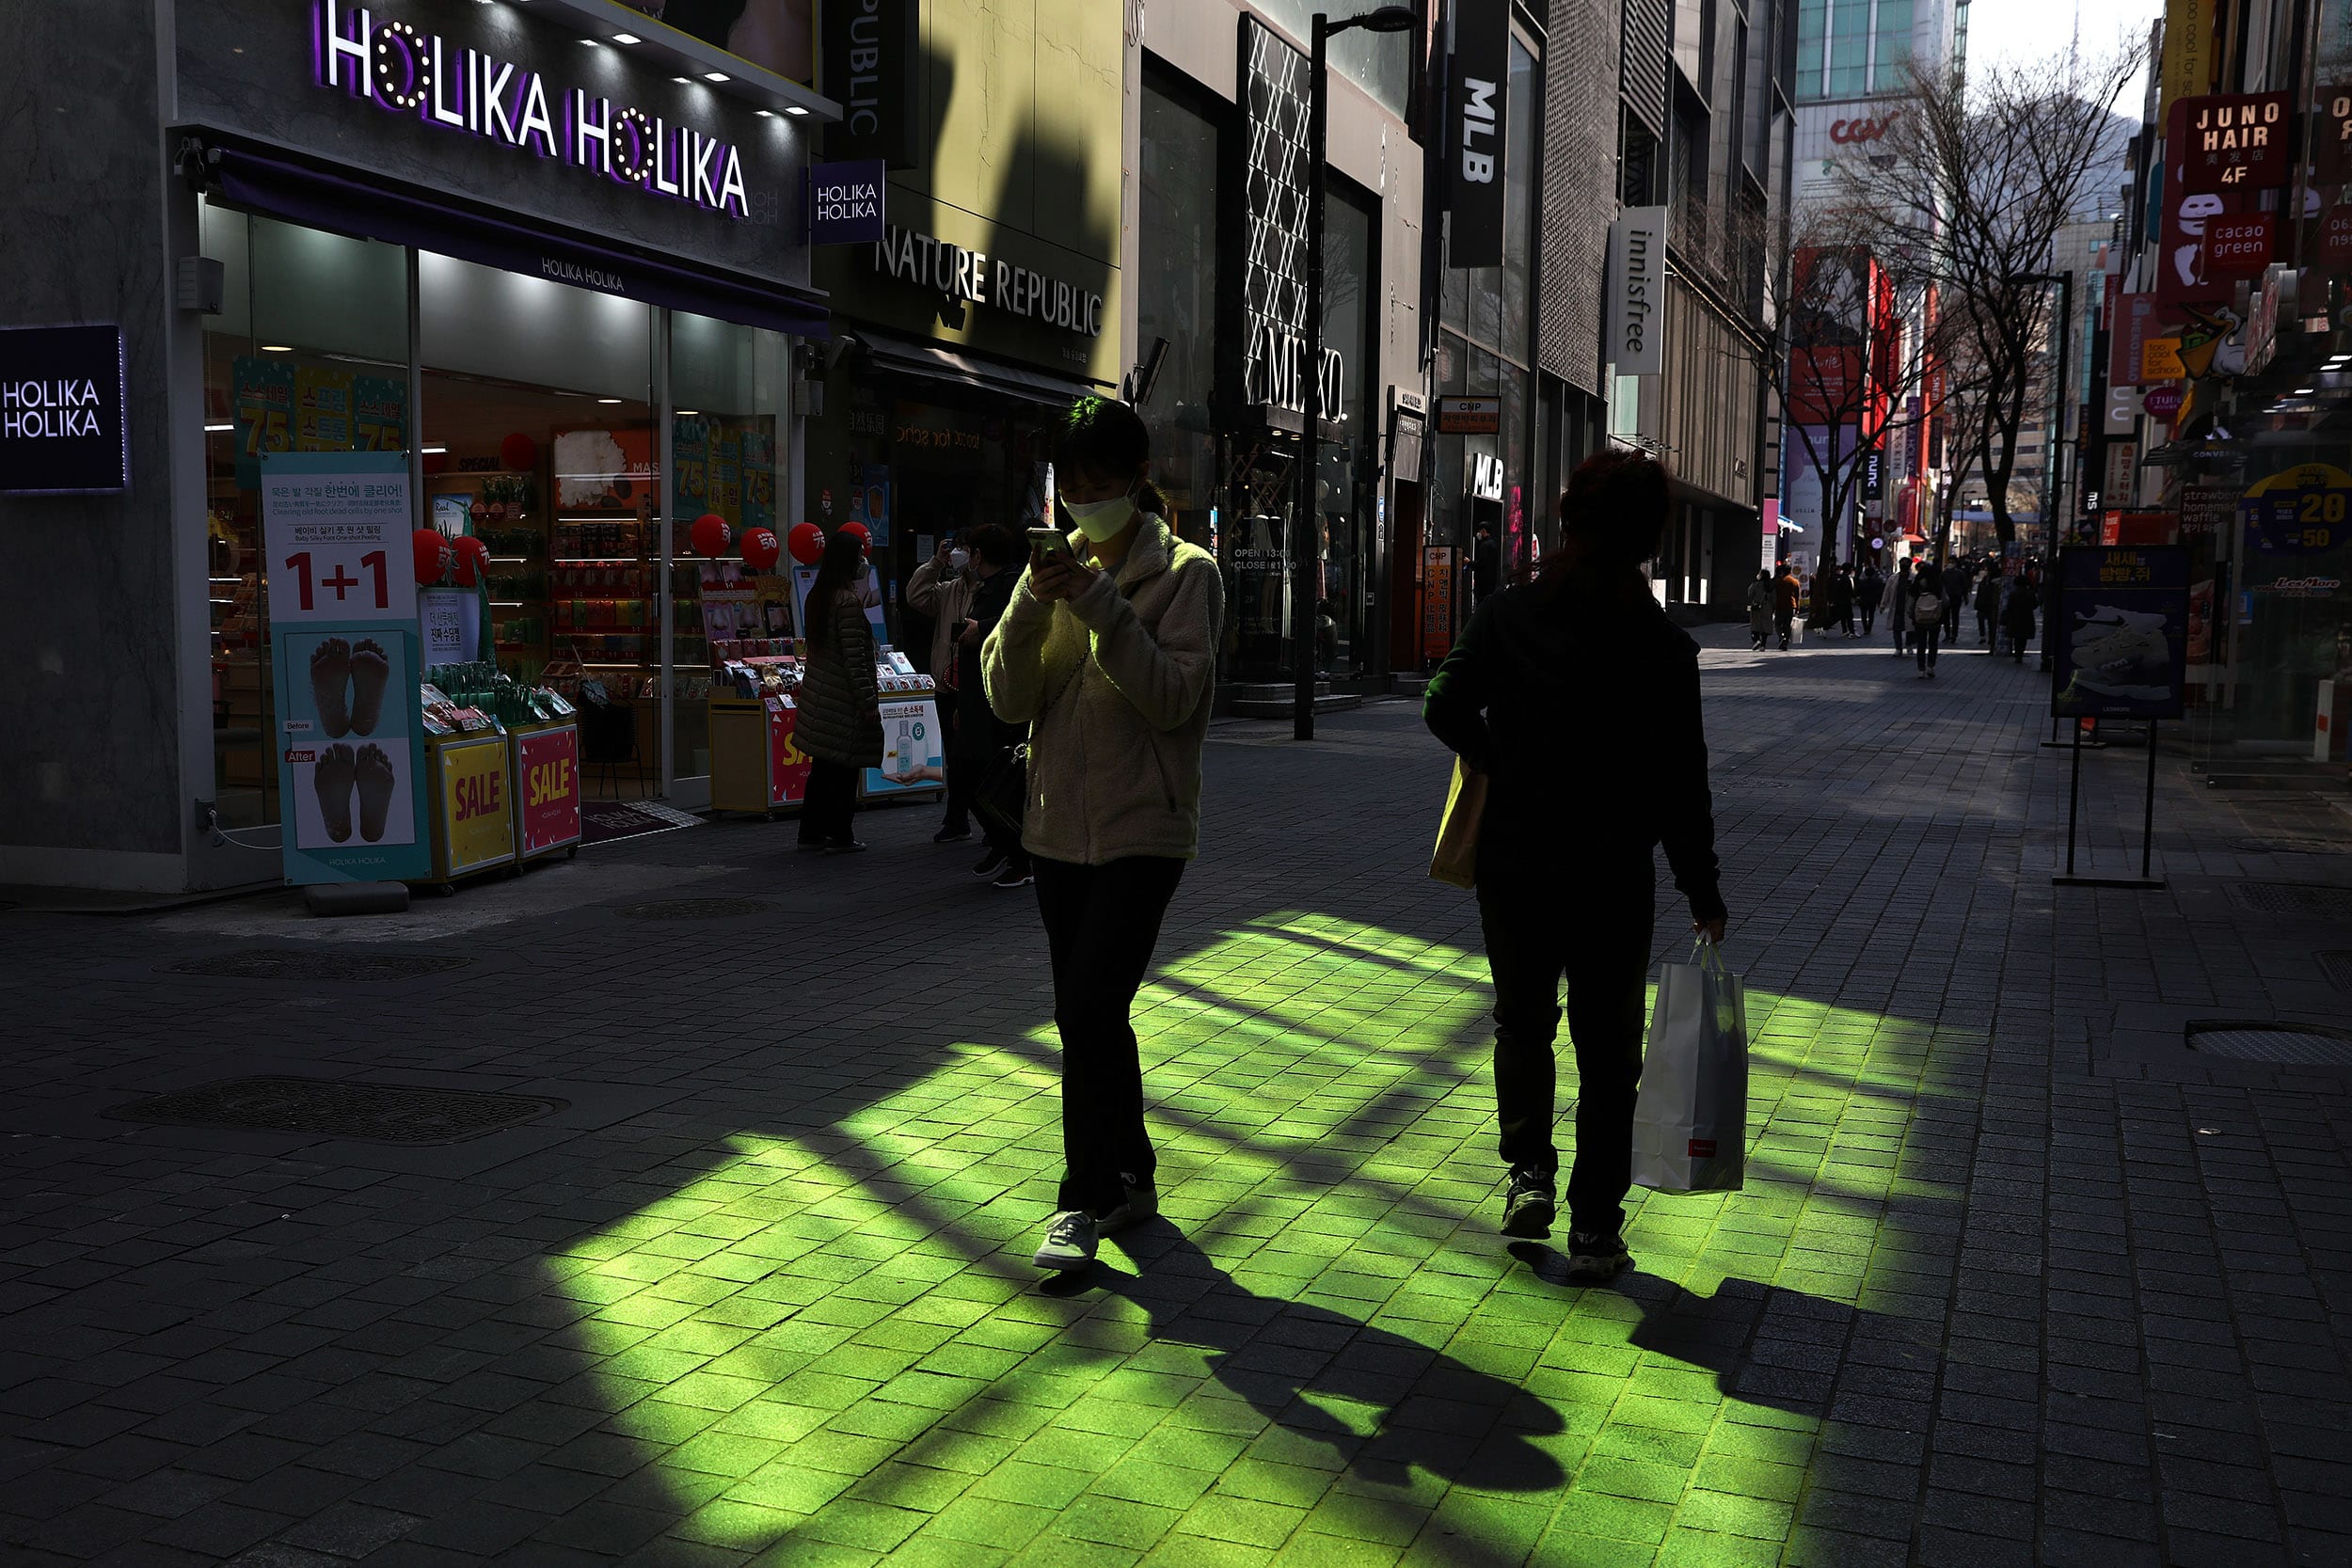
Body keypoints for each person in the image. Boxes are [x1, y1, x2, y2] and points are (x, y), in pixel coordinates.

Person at [1422, 450, 1728, 1282]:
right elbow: (1682, 783)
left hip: (1516, 860)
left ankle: (1529, 1173)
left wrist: (1496, 756)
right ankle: (1595, 1226)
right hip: (1612, 873)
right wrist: (1702, 887)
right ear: (1649, 539)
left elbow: (1442, 700)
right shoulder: (1663, 648)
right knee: (1609, 1050)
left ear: (1567, 522)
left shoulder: (1508, 615)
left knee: (1523, 1021)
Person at [983, 396, 1224, 1273]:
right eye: (1070, 485)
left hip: (1143, 832)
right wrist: (1030, 606)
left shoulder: (1188, 574)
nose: (1084, 499)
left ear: (1136, 478)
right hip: (1055, 830)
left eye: (1099, 482)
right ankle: (1132, 1172)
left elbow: (1172, 698)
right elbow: (1008, 697)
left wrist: (1100, 609)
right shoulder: (1053, 572)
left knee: (1084, 1009)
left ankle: (1080, 1199)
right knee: (1095, 1014)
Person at [953, 525, 1033, 889]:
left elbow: (1020, 628)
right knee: (967, 778)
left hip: (998, 704)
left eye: (968, 549)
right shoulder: (985, 586)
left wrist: (982, 628)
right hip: (976, 700)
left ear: (978, 554)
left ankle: (1019, 855)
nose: (964, 555)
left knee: (994, 782)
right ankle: (1004, 845)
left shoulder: (1014, 585)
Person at [795, 530, 882, 853]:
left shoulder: (818, 595)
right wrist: (868, 702)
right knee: (845, 770)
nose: (863, 562)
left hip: (820, 697)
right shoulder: (846, 601)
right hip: (842, 701)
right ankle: (840, 834)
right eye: (859, 556)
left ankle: (811, 833)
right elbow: (855, 660)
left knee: (822, 770)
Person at [906, 534, 977, 842]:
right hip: (946, 685)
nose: (958, 553)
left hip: (973, 684)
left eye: (964, 549)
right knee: (954, 754)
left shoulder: (989, 590)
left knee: (973, 756)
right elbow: (916, 595)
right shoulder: (950, 589)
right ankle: (958, 818)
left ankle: (984, 819)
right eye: (955, 548)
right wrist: (936, 562)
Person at [1910, 554, 1947, 678]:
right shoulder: (1937, 585)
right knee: (1933, 643)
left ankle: (1921, 669)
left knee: (1921, 644)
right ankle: (1930, 666)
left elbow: (1911, 599)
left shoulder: (1917, 585)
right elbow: (1945, 601)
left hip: (1920, 617)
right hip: (1934, 618)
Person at [2003, 568, 2040, 661]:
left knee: (2016, 637)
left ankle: (2017, 654)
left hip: (2015, 617)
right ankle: (2020, 653)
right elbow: (2035, 605)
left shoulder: (2013, 593)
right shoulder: (2029, 593)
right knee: (2023, 637)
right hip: (2027, 617)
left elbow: (2009, 606)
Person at [1772, 561, 1802, 651]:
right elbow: (1797, 596)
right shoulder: (1795, 582)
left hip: (1780, 605)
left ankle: (1782, 637)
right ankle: (1785, 641)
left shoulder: (1778, 582)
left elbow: (1774, 594)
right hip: (1791, 605)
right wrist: (1797, 608)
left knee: (1777, 624)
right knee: (1787, 625)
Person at [1744, 568, 1773, 653]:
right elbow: (1774, 598)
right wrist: (1773, 608)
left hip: (1757, 607)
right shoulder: (1771, 586)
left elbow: (1750, 594)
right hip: (1767, 608)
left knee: (1755, 626)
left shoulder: (1756, 585)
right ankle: (1763, 645)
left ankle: (1757, 640)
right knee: (1765, 627)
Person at [1472, 523, 1502, 607]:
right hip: (1491, 581)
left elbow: (1482, 564)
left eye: (1479, 531)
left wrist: (1470, 563)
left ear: (1483, 531)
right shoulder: (1494, 544)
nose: (1478, 534)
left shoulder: (1484, 545)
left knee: (1481, 604)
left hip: (1483, 583)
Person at [1974, 564, 2002, 649]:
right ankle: (1984, 636)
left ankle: (1991, 637)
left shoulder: (1996, 582)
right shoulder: (1985, 580)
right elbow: (1980, 592)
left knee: (1991, 622)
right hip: (1983, 604)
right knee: (1982, 620)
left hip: (1991, 605)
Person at [1891, 558, 1915, 656]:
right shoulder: (1893, 578)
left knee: (1910, 628)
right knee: (1896, 628)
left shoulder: (1913, 578)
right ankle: (1898, 648)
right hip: (1897, 606)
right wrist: (1883, 603)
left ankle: (1909, 645)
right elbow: (1887, 591)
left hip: (1910, 606)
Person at [1856, 562, 1884, 636]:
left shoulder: (1862, 582)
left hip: (1863, 600)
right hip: (1873, 600)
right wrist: (1879, 602)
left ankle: (1865, 628)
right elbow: (1879, 592)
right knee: (1871, 614)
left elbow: (1858, 591)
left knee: (1863, 614)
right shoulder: (1877, 582)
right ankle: (1869, 628)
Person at [1833, 564, 1857, 637]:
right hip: (1846, 600)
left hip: (1839, 600)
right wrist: (1855, 596)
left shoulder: (1839, 578)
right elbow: (1850, 591)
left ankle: (1845, 630)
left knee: (1843, 616)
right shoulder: (1847, 579)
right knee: (1849, 616)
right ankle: (1851, 631)